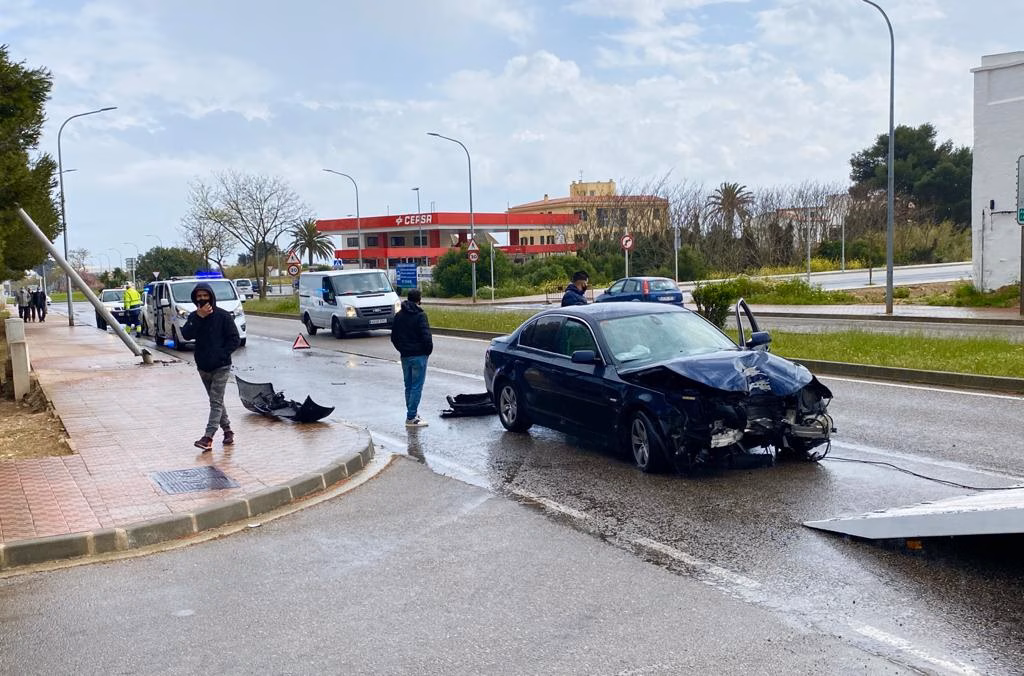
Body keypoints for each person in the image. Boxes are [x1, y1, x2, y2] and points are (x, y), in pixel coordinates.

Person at [181, 282, 240, 451]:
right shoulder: (194, 317)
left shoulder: (223, 316)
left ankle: (208, 437)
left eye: (205, 296)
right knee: (217, 401)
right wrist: (198, 317)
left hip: (221, 366)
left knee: (215, 401)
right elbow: (186, 334)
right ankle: (228, 431)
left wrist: (222, 355)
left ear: (211, 297)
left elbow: (234, 339)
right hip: (203, 366)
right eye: (198, 296)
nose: (202, 299)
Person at [390, 288, 432, 427]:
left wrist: (402, 349)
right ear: (419, 299)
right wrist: (427, 351)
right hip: (419, 355)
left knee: (408, 386)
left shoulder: (399, 315)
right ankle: (411, 417)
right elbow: (426, 337)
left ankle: (411, 412)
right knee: (416, 387)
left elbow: (394, 337)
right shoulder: (420, 315)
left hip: (405, 356)